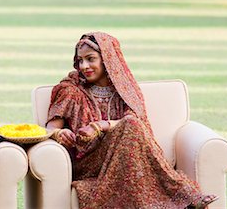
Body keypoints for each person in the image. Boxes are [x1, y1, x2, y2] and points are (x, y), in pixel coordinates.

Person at [46, 32, 218, 209]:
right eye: (80, 60)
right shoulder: (71, 90)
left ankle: (176, 200)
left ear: (107, 59)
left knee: (133, 124)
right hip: (89, 161)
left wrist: (99, 126)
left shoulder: (125, 90)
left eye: (90, 59)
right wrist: (60, 133)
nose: (84, 66)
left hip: (126, 158)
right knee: (131, 124)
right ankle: (184, 195)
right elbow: (49, 128)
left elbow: (136, 121)